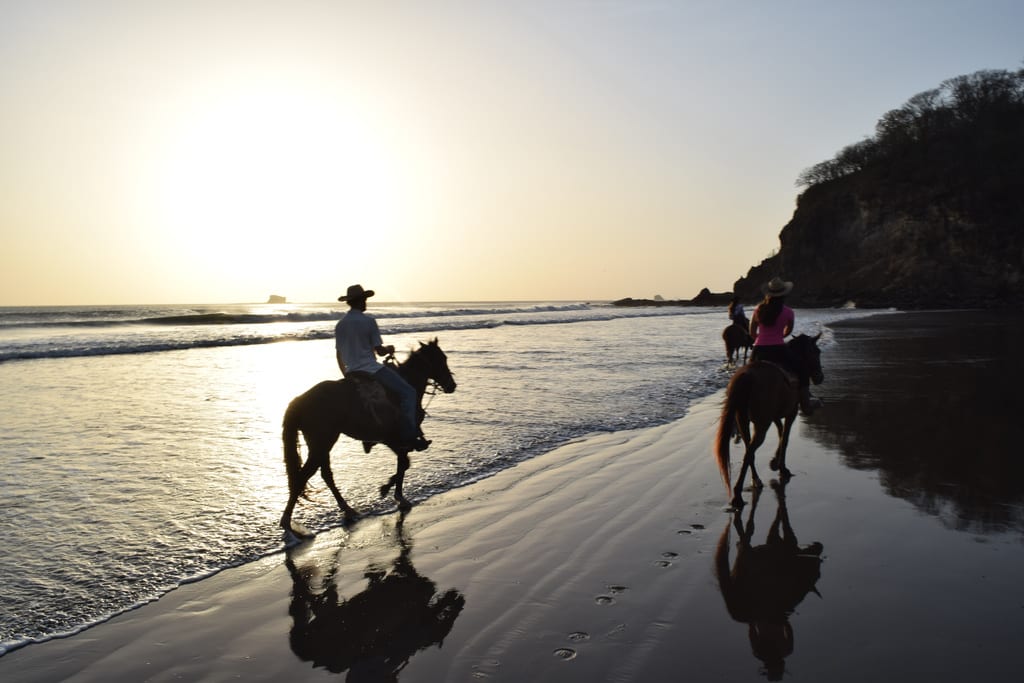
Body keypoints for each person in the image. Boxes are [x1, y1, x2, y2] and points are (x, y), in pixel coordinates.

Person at [335, 284, 430, 451]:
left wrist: (346, 374)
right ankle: (409, 436)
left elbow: (339, 354)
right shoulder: (369, 321)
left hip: (351, 372)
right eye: (364, 300)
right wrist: (389, 349)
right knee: (409, 393)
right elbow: (379, 352)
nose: (366, 303)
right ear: (360, 301)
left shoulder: (340, 324)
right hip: (371, 369)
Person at [749, 277, 822, 415]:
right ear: (784, 294)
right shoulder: (788, 312)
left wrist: (762, 339)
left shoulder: (758, 309)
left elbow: (752, 332)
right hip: (778, 349)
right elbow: (788, 331)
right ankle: (806, 405)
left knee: (744, 375)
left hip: (758, 350)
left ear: (768, 293)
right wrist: (777, 337)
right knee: (802, 370)